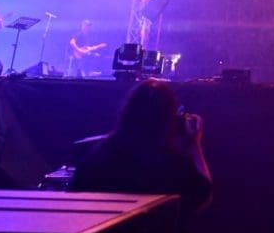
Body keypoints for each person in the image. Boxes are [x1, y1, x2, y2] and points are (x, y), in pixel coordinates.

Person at [70, 78, 212, 215]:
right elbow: (202, 196)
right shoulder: (174, 164)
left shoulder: (98, 156)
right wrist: (195, 144)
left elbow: (73, 197)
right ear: (170, 118)